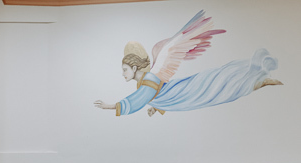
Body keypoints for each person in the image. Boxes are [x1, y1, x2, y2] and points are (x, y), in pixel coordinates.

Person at [93, 12, 280, 118]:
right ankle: (258, 81)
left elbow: (138, 100)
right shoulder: (144, 82)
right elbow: (159, 93)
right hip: (182, 96)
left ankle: (259, 81)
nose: (123, 74)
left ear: (134, 68)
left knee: (220, 88)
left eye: (124, 70)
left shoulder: (148, 79)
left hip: (187, 91)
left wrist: (109, 106)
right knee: (220, 91)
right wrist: (157, 107)